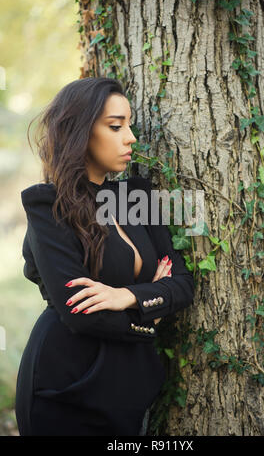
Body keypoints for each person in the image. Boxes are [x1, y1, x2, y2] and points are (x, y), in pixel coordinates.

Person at [15, 77, 195, 436]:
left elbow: (183, 284)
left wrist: (124, 296)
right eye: (116, 126)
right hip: (64, 385)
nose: (130, 137)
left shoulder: (135, 198)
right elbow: (80, 317)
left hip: (127, 386)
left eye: (129, 125)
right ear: (81, 131)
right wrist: (152, 316)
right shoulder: (48, 205)